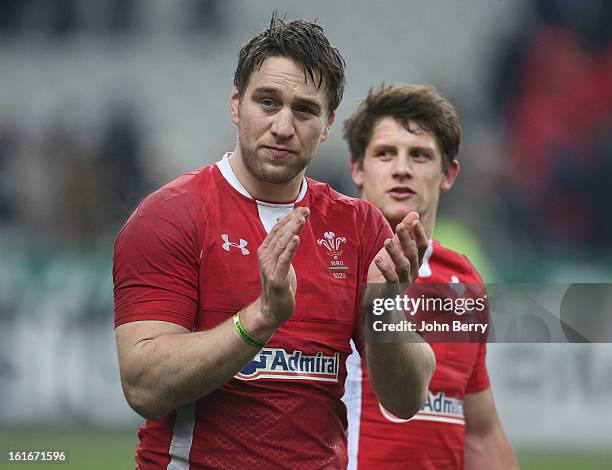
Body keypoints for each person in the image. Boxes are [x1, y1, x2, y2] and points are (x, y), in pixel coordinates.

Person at [112, 17, 435, 469]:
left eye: (304, 110)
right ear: (236, 103)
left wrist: (381, 309)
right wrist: (260, 319)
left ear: (327, 126)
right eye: (267, 102)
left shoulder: (360, 226)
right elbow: (143, 386)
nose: (283, 126)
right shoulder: (171, 216)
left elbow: (407, 399)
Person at [342, 84, 518, 469]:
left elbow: (480, 430)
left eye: (419, 155)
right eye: (385, 153)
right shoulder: (329, 266)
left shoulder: (463, 277)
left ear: (448, 174)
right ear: (358, 167)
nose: (401, 167)